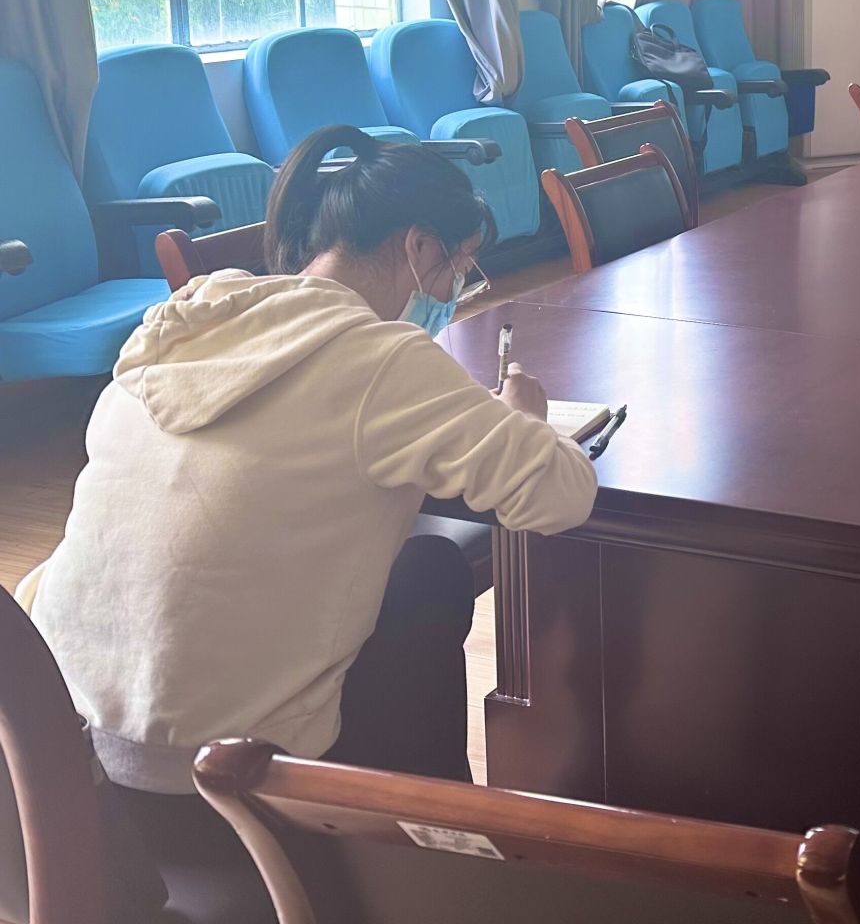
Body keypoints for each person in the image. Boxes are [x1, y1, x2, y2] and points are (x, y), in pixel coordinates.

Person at [19, 125, 598, 803]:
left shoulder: (186, 323)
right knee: (429, 575)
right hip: (223, 773)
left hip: (57, 740)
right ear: (417, 247)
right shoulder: (380, 359)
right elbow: (561, 495)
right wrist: (525, 418)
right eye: (460, 264)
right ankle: (417, 832)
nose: (456, 288)